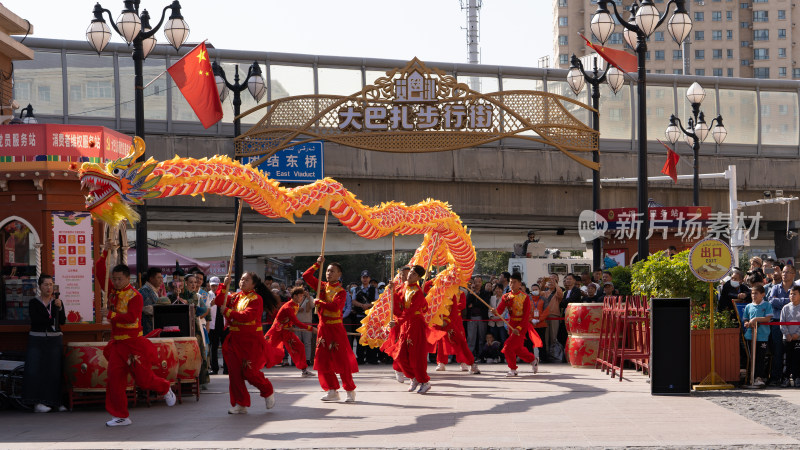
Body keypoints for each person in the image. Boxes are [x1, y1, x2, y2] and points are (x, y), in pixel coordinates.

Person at [96, 248, 176, 426]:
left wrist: (111, 315)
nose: (115, 282)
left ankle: (165, 388)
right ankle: (121, 415)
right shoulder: (112, 292)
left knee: (143, 380)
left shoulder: (136, 296)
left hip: (134, 344)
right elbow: (100, 273)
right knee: (114, 380)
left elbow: (132, 317)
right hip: (118, 345)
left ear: (127, 278)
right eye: (114, 279)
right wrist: (104, 254)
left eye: (119, 279)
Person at [214, 272, 276, 414]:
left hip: (251, 341)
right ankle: (240, 403)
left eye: (246, 280)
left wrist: (228, 312)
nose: (242, 281)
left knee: (250, 372)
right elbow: (219, 301)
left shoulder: (256, 299)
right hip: (235, 340)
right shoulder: (235, 297)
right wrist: (224, 285)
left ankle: (267, 390)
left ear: (254, 284)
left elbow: (248, 315)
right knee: (234, 374)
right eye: (241, 279)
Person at [303, 256, 359, 403]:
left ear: (339, 274)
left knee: (341, 361)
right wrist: (317, 264)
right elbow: (306, 276)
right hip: (323, 329)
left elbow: (336, 307)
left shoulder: (341, 292)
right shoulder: (321, 286)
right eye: (327, 271)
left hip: (336, 329)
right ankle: (332, 390)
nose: (329, 273)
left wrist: (319, 303)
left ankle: (349, 390)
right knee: (322, 361)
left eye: (332, 271)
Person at [22, 274, 66, 413]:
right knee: (35, 370)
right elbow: (36, 320)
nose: (49, 287)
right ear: (40, 286)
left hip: (54, 338)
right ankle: (37, 402)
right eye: (46, 284)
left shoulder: (57, 302)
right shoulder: (34, 302)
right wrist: (52, 319)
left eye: (51, 284)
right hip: (37, 338)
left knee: (54, 371)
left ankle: (55, 402)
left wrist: (59, 309)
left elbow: (62, 321)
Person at [387, 265, 431, 394]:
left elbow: (411, 312)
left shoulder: (418, 292)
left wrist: (397, 322)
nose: (410, 275)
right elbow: (397, 305)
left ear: (418, 278)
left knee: (416, 356)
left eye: (414, 274)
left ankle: (424, 381)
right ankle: (414, 377)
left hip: (416, 324)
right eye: (410, 272)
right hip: (405, 325)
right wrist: (392, 291)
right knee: (400, 355)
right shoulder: (404, 287)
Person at [493, 272, 541, 377]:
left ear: (519, 284)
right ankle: (533, 359)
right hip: (511, 325)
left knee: (508, 346)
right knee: (518, 349)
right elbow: (500, 310)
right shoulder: (506, 296)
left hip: (521, 325)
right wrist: (495, 311)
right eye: (510, 282)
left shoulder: (525, 297)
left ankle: (513, 369)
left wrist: (518, 328)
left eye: (514, 282)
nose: (512, 284)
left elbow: (525, 317)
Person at [264, 286, 315, 377]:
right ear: (294, 296)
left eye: (302, 296)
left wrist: (290, 325)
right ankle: (251, 365)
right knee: (266, 347)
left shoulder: (296, 305)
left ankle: (304, 370)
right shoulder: (288, 307)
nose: (301, 298)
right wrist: (311, 329)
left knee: (299, 347)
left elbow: (291, 320)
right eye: (300, 296)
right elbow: (297, 322)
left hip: (287, 331)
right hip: (278, 330)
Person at [433, 292, 480, 374]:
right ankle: (441, 362)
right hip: (438, 322)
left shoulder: (454, 294)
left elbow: (455, 310)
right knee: (440, 342)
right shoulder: (436, 291)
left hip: (450, 322)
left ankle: (469, 363)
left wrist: (447, 321)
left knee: (460, 341)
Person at [769, 265, 796, 385]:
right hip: (777, 322)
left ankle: (792, 377)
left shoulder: (797, 288)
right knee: (778, 351)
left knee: (794, 352)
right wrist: (788, 301)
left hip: (794, 324)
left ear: (793, 275)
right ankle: (776, 377)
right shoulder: (775, 287)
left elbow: (796, 303)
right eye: (783, 272)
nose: (784, 274)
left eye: (787, 272)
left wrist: (780, 301)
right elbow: (771, 301)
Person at [743, 285, 773, 387]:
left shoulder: (767, 305)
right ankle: (750, 377)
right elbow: (746, 319)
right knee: (751, 357)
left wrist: (756, 319)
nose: (753, 295)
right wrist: (747, 323)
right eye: (752, 293)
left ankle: (759, 377)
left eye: (756, 293)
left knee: (760, 357)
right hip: (750, 336)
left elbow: (768, 318)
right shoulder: (748, 306)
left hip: (762, 336)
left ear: (763, 294)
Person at [352, 270, 378, 365]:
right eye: (363, 277)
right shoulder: (356, 289)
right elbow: (353, 301)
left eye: (367, 277)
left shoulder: (373, 289)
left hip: (370, 316)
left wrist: (368, 306)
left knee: (371, 336)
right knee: (360, 338)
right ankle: (360, 358)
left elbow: (376, 300)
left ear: (369, 278)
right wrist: (362, 305)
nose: (365, 279)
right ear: (361, 278)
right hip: (360, 316)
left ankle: (372, 358)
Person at [780, 286, 800, 388]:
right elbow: (782, 323)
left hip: (798, 339)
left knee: (797, 358)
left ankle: (797, 378)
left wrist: (797, 334)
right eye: (791, 294)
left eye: (795, 294)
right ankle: (786, 378)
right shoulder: (785, 308)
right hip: (787, 338)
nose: (792, 296)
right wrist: (787, 334)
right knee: (786, 359)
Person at [465, 276, 489, 361]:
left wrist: (474, 305)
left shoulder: (485, 292)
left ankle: (481, 355)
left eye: (479, 282)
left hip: (482, 317)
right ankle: (469, 355)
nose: (477, 284)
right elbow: (467, 303)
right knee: (471, 338)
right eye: (476, 282)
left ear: (481, 282)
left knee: (482, 338)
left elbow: (484, 303)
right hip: (471, 317)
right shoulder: (470, 292)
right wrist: (471, 293)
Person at [206, 276, 225, 375]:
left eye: (216, 286)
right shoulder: (207, 295)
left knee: (226, 348)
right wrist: (210, 304)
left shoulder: (225, 294)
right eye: (212, 286)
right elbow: (206, 308)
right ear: (209, 285)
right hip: (213, 325)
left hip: (224, 324)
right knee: (213, 348)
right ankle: (214, 368)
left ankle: (227, 369)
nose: (214, 288)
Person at [294, 279, 315, 366]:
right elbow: (293, 307)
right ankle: (298, 359)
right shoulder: (297, 298)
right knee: (298, 342)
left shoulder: (310, 298)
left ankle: (307, 359)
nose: (304, 292)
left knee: (307, 342)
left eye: (306, 290)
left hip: (307, 322)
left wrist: (308, 297)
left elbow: (311, 307)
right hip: (297, 322)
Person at [139, 267, 163, 336]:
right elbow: (147, 309)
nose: (161, 280)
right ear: (151, 279)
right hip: (147, 331)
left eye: (161, 278)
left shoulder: (153, 290)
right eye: (158, 278)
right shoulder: (145, 290)